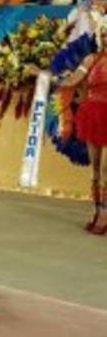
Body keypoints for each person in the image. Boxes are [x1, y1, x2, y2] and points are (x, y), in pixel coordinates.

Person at [57, 16, 107, 235]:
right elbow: (72, 80)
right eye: (103, 34)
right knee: (95, 171)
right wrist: (46, 76)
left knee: (106, 170)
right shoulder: (91, 59)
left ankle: (104, 216)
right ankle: (97, 211)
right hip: (93, 116)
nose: (106, 37)